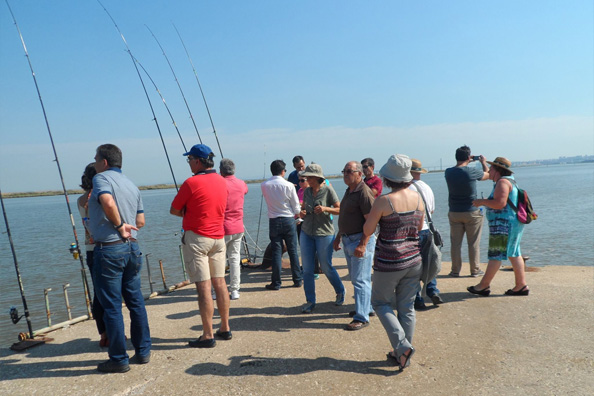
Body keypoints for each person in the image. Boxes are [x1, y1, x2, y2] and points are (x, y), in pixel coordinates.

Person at [357, 154, 424, 371]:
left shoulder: (384, 201)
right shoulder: (418, 198)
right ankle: (402, 353)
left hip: (389, 261)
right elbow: (419, 226)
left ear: (387, 178)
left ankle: (402, 346)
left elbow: (368, 230)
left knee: (380, 303)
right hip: (414, 259)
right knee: (407, 307)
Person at [88, 144, 151, 373]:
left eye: (96, 159)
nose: (94, 162)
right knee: (136, 302)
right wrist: (128, 227)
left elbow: (107, 202)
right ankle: (143, 351)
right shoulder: (131, 185)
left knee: (112, 306)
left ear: (104, 161)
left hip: (110, 249)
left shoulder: (100, 178)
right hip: (132, 248)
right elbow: (141, 221)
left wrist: (118, 225)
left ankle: (118, 358)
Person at [170, 144, 232, 348]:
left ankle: (207, 334)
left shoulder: (190, 183)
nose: (188, 163)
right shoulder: (223, 182)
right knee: (220, 283)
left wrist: (188, 213)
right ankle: (225, 327)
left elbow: (174, 210)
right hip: (219, 238)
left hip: (197, 239)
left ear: (197, 161)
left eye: (189, 159)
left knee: (203, 286)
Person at [468, 157, 529, 297]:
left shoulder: (502, 182)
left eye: (492, 168)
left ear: (498, 170)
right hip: (513, 222)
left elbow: (500, 203)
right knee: (514, 253)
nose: (489, 171)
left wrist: (482, 202)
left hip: (503, 223)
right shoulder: (511, 181)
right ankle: (521, 285)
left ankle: (483, 286)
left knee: (496, 254)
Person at [333, 161, 376, 330]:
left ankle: (362, 317)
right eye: (344, 171)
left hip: (359, 240)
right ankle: (366, 308)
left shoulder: (363, 192)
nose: (345, 174)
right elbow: (345, 216)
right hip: (348, 239)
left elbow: (371, 222)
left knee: (361, 280)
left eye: (349, 171)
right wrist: (338, 237)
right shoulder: (350, 191)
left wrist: (363, 244)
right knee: (356, 278)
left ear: (359, 173)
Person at [298, 163, 345, 314]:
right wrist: (302, 213)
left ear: (317, 178)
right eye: (306, 177)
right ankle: (310, 301)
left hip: (324, 233)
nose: (307, 180)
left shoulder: (328, 190)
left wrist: (325, 209)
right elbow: (303, 208)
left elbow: (339, 209)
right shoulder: (306, 191)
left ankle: (340, 291)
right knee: (307, 269)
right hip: (306, 232)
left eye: (309, 177)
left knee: (326, 266)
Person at [444, 145, 489, 277]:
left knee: (455, 244)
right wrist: (483, 162)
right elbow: (488, 175)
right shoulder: (471, 171)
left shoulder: (448, 172)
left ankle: (455, 270)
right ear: (469, 157)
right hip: (471, 211)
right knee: (473, 243)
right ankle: (474, 270)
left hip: (454, 211)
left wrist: (469, 160)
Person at [76, 163, 107, 347]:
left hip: (90, 250)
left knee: (97, 293)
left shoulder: (80, 200)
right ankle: (112, 332)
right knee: (110, 294)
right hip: (104, 246)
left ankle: (102, 334)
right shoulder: (99, 197)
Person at [261, 160, 303, 290]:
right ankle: (297, 279)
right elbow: (296, 208)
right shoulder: (289, 185)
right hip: (288, 220)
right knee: (293, 251)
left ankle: (276, 282)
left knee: (276, 252)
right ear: (283, 171)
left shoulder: (264, 185)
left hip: (274, 220)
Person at [409, 159, 444, 310]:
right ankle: (433, 290)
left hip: (414, 230)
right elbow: (432, 211)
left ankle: (418, 299)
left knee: (414, 266)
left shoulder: (408, 188)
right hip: (428, 230)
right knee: (429, 262)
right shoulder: (427, 187)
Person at [220, 158, 248, 300]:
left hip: (222, 228)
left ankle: (216, 290)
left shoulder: (219, 184)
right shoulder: (241, 184)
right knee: (235, 259)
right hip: (238, 227)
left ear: (221, 171)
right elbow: (245, 191)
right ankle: (235, 290)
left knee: (219, 260)